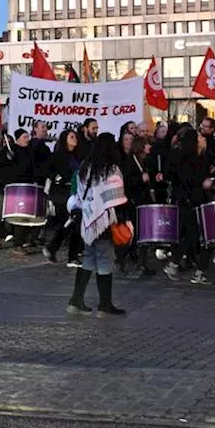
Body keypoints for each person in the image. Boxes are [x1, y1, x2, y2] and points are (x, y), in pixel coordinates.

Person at [66, 133, 130, 317]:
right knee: (104, 258)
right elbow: (117, 195)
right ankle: (104, 305)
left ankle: (76, 301)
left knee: (88, 257)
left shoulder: (85, 167)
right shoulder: (112, 169)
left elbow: (80, 192)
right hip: (104, 221)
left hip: (87, 220)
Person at [164, 128, 214, 285]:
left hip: (195, 200)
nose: (202, 138)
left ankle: (185, 266)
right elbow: (189, 179)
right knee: (195, 235)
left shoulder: (199, 156)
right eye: (199, 136)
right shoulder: (185, 158)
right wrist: (203, 182)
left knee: (198, 236)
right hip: (190, 201)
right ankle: (178, 264)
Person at [44, 129, 83, 265]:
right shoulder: (58, 156)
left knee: (71, 223)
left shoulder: (77, 156)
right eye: (71, 137)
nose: (75, 139)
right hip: (61, 194)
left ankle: (53, 248)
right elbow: (48, 171)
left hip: (74, 194)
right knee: (70, 222)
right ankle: (70, 255)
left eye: (75, 136)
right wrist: (57, 177)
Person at [0, 128, 36, 254]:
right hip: (8, 187)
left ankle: (18, 244)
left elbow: (33, 168)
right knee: (2, 216)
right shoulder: (9, 150)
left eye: (28, 137)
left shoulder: (29, 151)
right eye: (24, 137)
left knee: (21, 217)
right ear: (18, 139)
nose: (27, 139)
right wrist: (7, 158)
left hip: (23, 188)